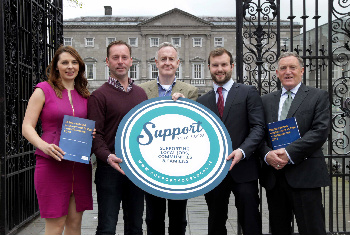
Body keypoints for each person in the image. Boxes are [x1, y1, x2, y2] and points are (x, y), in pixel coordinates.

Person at [22, 45, 93, 235]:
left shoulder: (85, 94)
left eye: (74, 62)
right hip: (51, 164)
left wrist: (91, 134)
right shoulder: (43, 90)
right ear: (56, 67)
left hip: (79, 166)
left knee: (74, 224)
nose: (70, 67)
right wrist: (43, 146)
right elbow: (27, 127)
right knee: (55, 225)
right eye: (64, 62)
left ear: (80, 66)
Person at [259, 52, 330, 235]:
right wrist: (267, 154)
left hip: (306, 175)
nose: (288, 72)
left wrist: (288, 152)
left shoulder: (318, 96)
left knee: (312, 229)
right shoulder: (266, 101)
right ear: (277, 73)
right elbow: (258, 133)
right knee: (279, 229)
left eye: (292, 68)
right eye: (283, 68)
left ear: (302, 71)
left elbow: (320, 132)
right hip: (275, 177)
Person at [197, 48, 265, 235]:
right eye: (215, 65)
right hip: (214, 173)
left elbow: (258, 127)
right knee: (216, 221)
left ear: (232, 66)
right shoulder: (202, 100)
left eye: (224, 64)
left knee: (250, 220)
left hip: (244, 169)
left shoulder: (247, 92)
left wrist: (242, 151)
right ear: (209, 68)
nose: (220, 69)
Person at [87, 40, 147, 235]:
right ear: (107, 62)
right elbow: (96, 136)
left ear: (131, 61)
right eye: (115, 58)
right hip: (109, 170)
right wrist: (107, 157)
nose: (120, 62)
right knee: (106, 227)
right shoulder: (99, 95)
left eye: (124, 57)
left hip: (136, 169)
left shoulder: (140, 94)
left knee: (135, 227)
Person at [138, 42, 198, 235]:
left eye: (171, 59)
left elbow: (195, 128)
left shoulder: (189, 91)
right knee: (153, 217)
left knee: (178, 218)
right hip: (151, 162)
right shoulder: (142, 90)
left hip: (179, 163)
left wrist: (186, 105)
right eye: (163, 59)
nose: (167, 62)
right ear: (156, 63)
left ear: (178, 63)